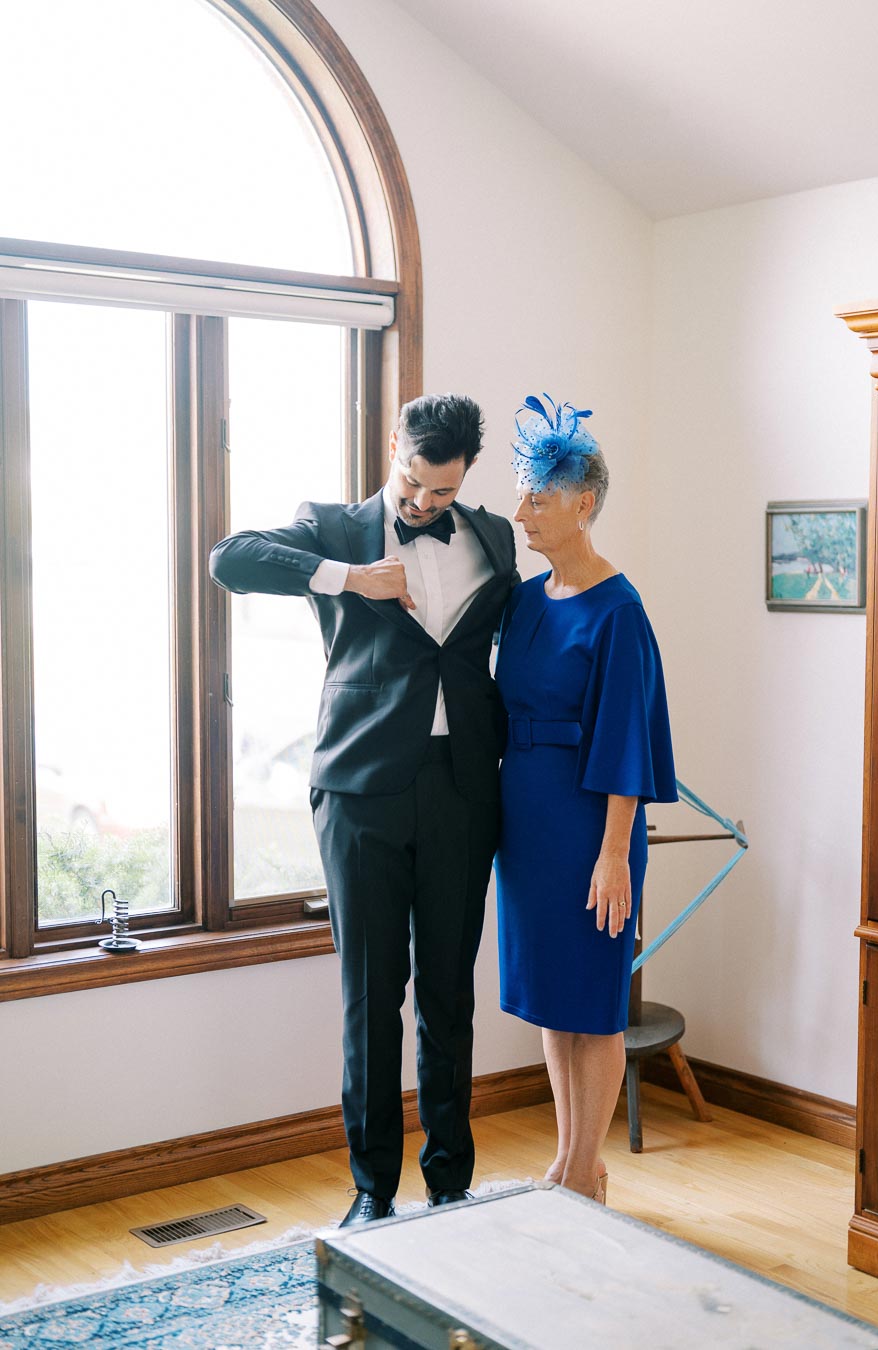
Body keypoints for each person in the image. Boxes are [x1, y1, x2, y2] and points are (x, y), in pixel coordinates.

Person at [209, 394, 518, 1226]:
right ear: (394, 449)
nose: (423, 506)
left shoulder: (495, 535)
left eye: (442, 495)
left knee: (451, 998)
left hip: (462, 790)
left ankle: (451, 1184)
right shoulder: (337, 528)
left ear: (466, 479)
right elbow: (229, 559)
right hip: (358, 794)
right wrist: (351, 577)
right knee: (371, 996)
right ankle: (372, 1192)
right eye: (414, 486)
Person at [494, 394, 677, 1203]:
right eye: (523, 494)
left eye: (539, 496)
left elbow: (625, 746)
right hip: (525, 821)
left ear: (585, 503)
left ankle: (579, 1172)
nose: (522, 512)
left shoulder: (621, 613)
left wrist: (612, 856)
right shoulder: (527, 602)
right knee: (552, 995)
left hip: (588, 826)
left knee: (594, 1002)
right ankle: (575, 1163)